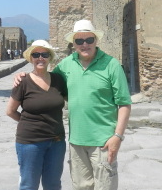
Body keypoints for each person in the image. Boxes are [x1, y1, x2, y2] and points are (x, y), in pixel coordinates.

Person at [15, 20, 131, 190]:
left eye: (89, 40)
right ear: (74, 44)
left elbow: (124, 104)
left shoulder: (111, 65)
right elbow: (46, 81)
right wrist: (25, 75)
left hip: (104, 141)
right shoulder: (66, 65)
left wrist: (118, 137)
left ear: (96, 40)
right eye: (79, 41)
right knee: (81, 187)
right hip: (76, 142)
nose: (85, 44)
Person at [6, 40, 68, 190]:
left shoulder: (58, 80)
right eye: (36, 54)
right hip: (30, 143)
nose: (40, 58)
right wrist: (29, 122)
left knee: (53, 185)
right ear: (31, 58)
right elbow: (10, 111)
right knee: (29, 185)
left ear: (49, 57)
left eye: (44, 54)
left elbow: (72, 98)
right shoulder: (23, 81)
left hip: (56, 142)